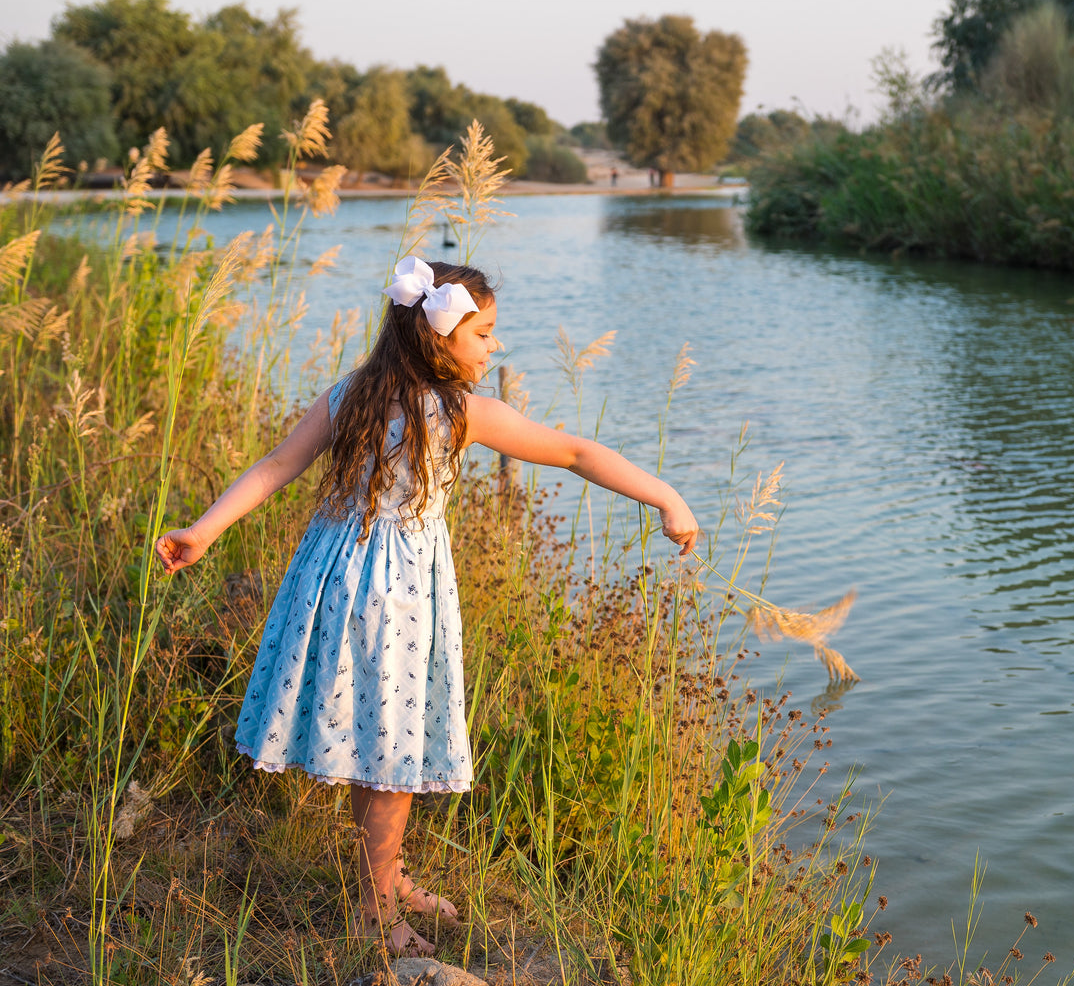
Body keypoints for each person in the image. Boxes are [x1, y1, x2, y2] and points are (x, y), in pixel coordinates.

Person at [155, 256, 699, 955]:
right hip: (398, 596)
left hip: (331, 578)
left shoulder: (347, 394)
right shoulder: (461, 412)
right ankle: (377, 912)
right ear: (439, 337)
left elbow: (275, 467)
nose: (494, 346)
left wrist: (203, 530)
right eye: (484, 333)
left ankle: (388, 879)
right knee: (394, 753)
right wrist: (667, 496)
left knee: (378, 740)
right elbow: (573, 452)